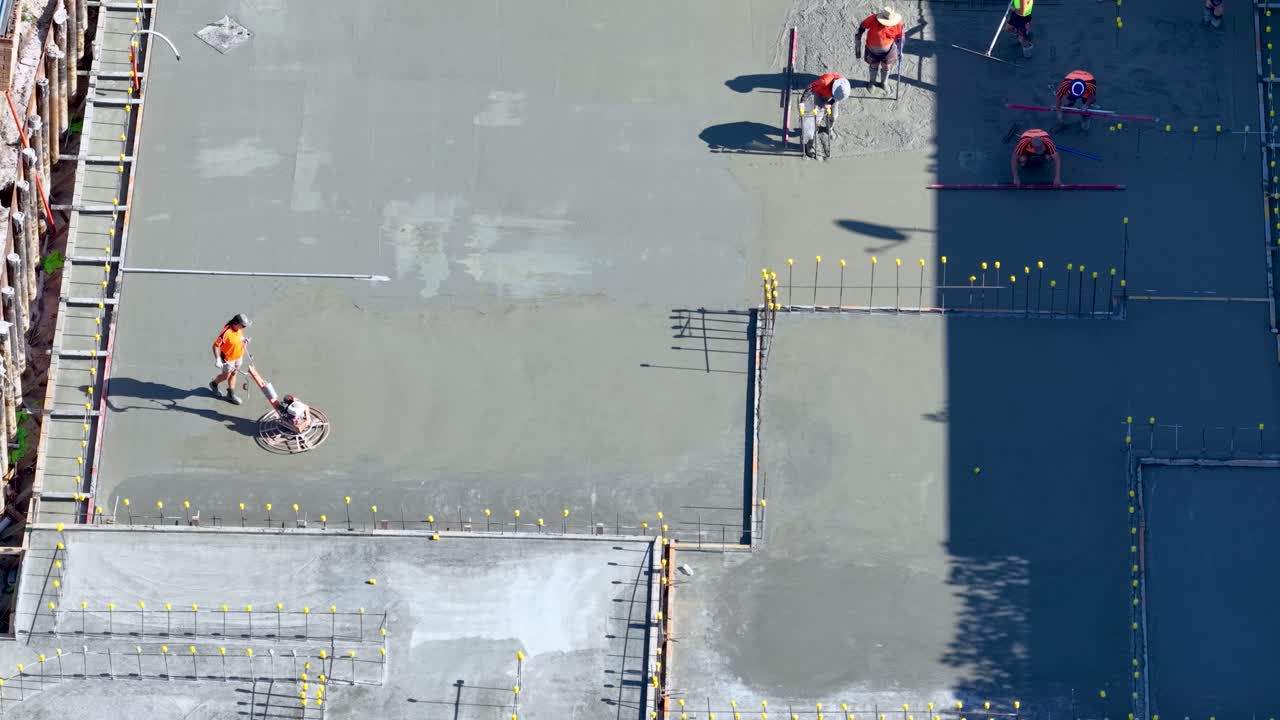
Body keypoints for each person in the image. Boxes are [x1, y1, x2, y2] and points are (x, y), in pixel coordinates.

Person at [798, 72, 851, 158]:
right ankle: (809, 145)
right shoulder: (824, 81)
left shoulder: (844, 84)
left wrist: (830, 103)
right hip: (820, 95)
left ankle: (828, 128)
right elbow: (810, 87)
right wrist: (802, 102)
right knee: (815, 121)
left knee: (834, 116)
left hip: (833, 98)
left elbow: (836, 97)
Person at [855, 6, 905, 91]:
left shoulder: (897, 23)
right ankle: (872, 82)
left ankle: (884, 82)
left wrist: (900, 49)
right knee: (873, 65)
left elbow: (900, 37)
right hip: (872, 49)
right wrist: (858, 38)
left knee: (886, 66)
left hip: (888, 50)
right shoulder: (873, 19)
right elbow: (862, 26)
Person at [209, 314, 251, 405]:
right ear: (236, 323)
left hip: (239, 355)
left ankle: (230, 394)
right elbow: (215, 346)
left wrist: (243, 339)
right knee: (225, 376)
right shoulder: (226, 333)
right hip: (228, 359)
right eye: (243, 325)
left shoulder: (238, 329)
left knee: (234, 373)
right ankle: (214, 384)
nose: (244, 328)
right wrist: (218, 359)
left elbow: (238, 337)